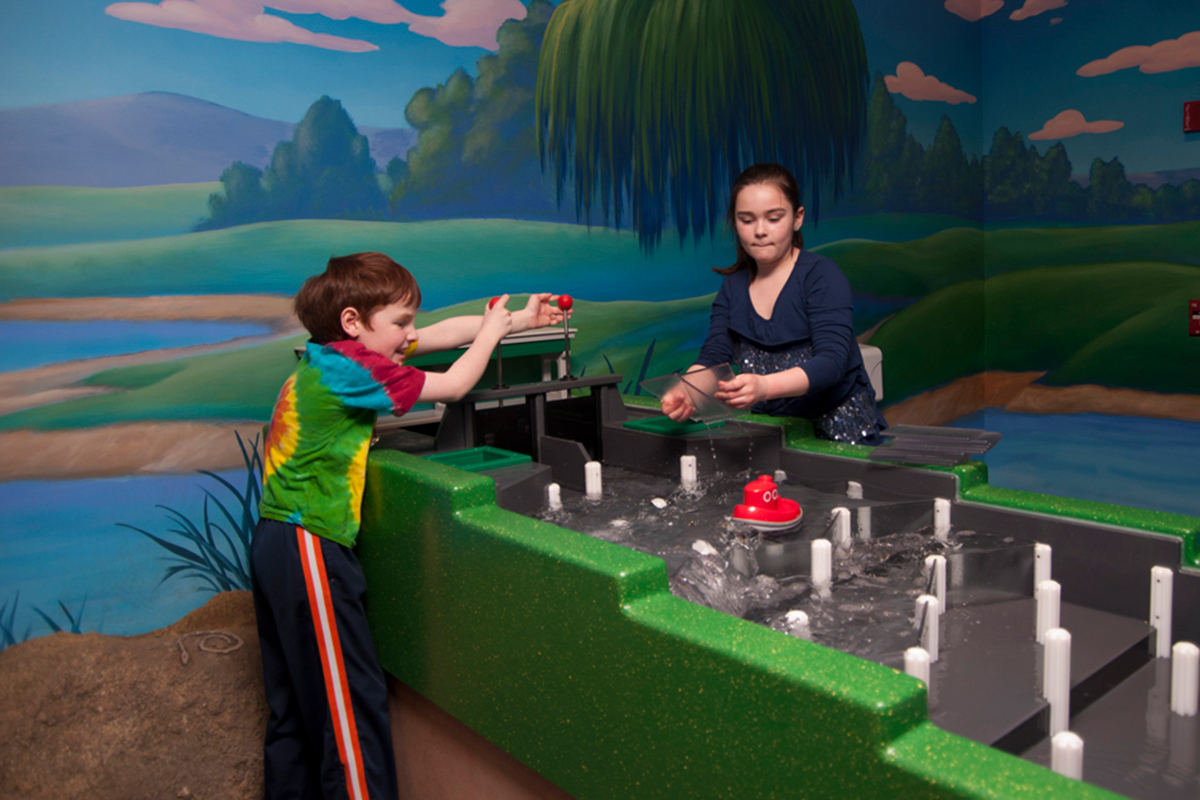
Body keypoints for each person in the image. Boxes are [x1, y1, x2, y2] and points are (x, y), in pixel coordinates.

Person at [251, 251, 564, 799]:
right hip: (309, 545)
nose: (409, 333)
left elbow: (444, 333)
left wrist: (518, 320)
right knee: (349, 704)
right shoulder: (353, 369)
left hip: (277, 541)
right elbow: (455, 384)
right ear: (354, 322)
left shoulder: (335, 355)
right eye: (400, 323)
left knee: (296, 706)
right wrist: (492, 334)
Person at [661, 163, 887, 445]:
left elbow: (832, 362)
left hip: (842, 438)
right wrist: (685, 391)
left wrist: (764, 386)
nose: (759, 231)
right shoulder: (732, 287)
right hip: (774, 437)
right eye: (747, 220)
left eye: (773, 218)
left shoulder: (822, 275)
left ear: (797, 218)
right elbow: (713, 358)